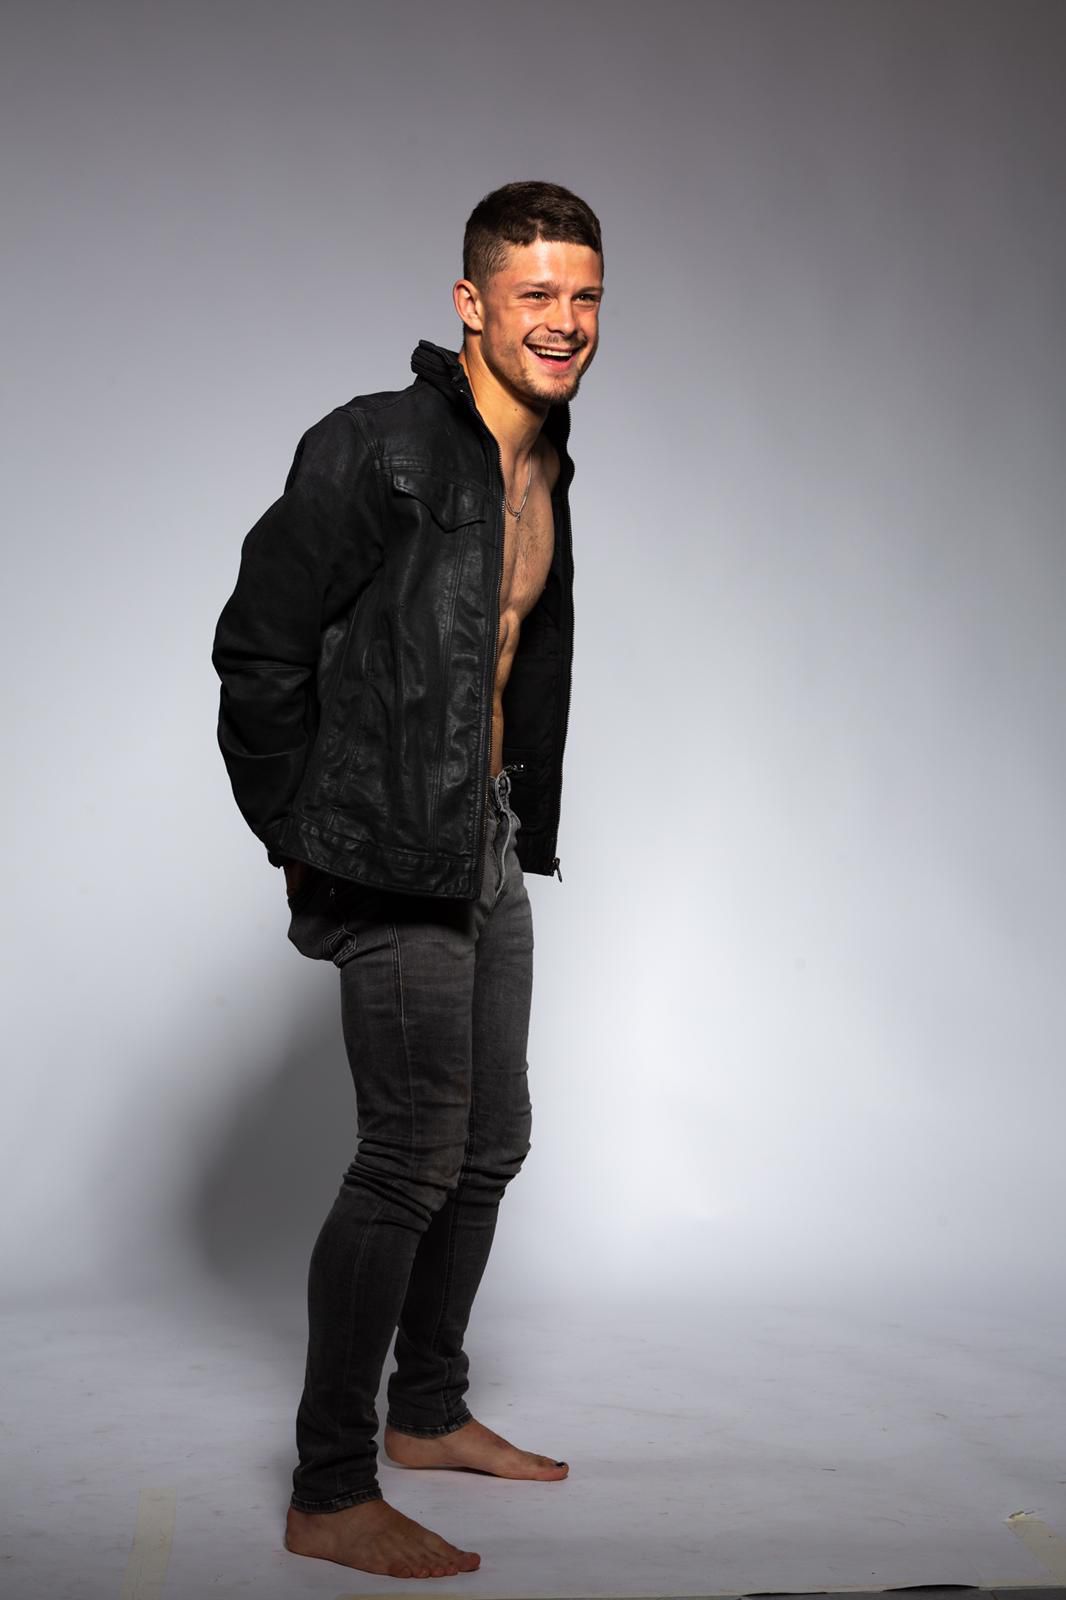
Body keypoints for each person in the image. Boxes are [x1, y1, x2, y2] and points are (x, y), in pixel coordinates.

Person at [211, 180, 603, 1578]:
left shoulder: (548, 463)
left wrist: (504, 817)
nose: (564, 321)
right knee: (409, 1155)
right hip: (383, 849)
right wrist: (306, 832)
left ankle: (427, 1414)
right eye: (536, 294)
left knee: (491, 1141)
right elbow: (259, 647)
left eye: (585, 296)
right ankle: (330, 1490)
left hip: (480, 837)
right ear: (470, 304)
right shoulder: (372, 445)